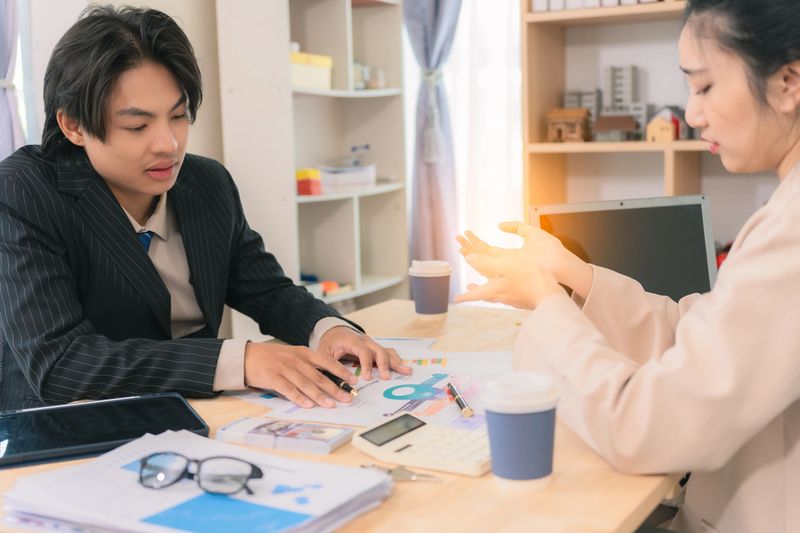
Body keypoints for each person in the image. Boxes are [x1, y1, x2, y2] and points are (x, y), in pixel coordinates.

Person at [457, 1, 800, 531]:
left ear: (787, 82)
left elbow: (646, 427)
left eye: (705, 86)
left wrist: (546, 303)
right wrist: (574, 274)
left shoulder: (790, 230)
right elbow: (704, 331)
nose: (692, 113)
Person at [0, 5, 410, 412]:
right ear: (73, 125)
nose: (169, 144)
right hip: (63, 432)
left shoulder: (207, 183)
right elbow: (61, 364)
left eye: (178, 116)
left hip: (194, 418)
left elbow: (266, 291)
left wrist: (328, 329)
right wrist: (241, 360)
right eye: (137, 126)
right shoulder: (23, 192)